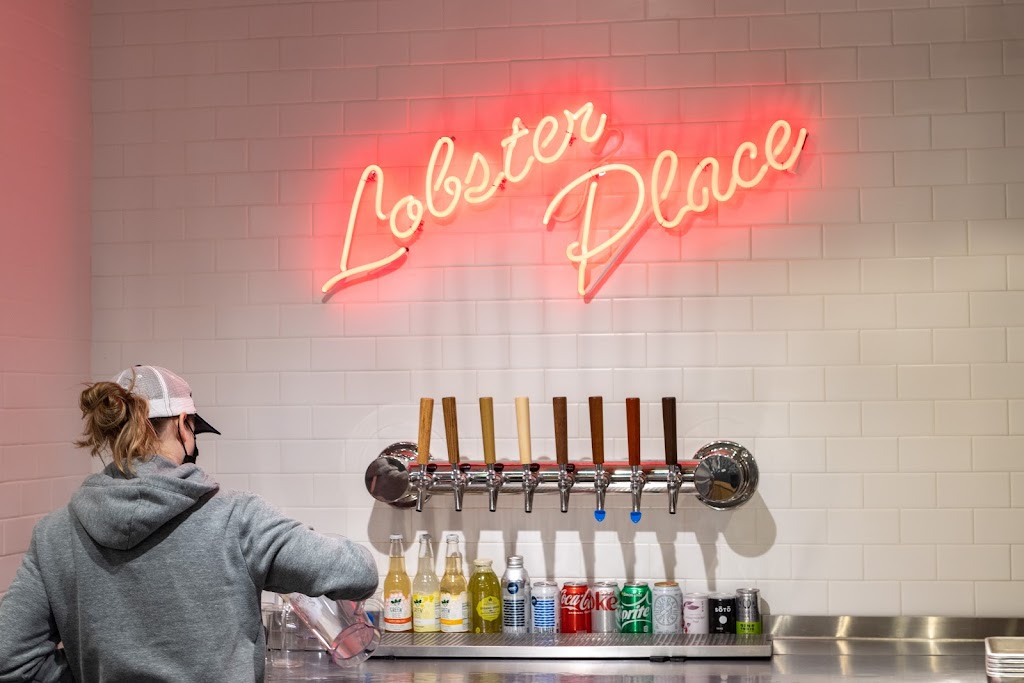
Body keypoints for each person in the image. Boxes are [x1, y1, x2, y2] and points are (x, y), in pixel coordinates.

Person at [0, 365, 379, 682]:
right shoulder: (237, 518)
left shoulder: (53, 535)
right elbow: (357, 572)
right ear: (184, 424)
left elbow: (10, 659)